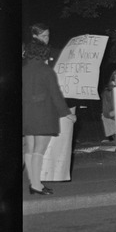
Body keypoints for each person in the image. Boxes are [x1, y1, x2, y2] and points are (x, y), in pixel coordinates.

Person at [22, 39, 76, 195]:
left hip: (26, 115)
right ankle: (36, 185)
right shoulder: (46, 71)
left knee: (30, 149)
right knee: (39, 149)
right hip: (42, 115)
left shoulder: (23, 70)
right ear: (43, 52)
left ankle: (33, 183)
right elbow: (56, 96)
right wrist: (67, 114)